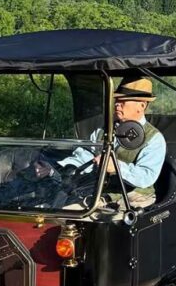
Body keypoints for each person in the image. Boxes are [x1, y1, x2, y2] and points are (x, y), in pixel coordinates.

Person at [51, 76, 167, 208]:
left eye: (123, 100)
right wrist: (57, 168)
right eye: (117, 99)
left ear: (141, 105)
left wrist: (116, 167)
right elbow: (84, 156)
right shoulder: (103, 130)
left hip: (134, 196)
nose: (117, 103)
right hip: (97, 190)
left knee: (78, 215)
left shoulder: (154, 139)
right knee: (55, 205)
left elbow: (146, 177)